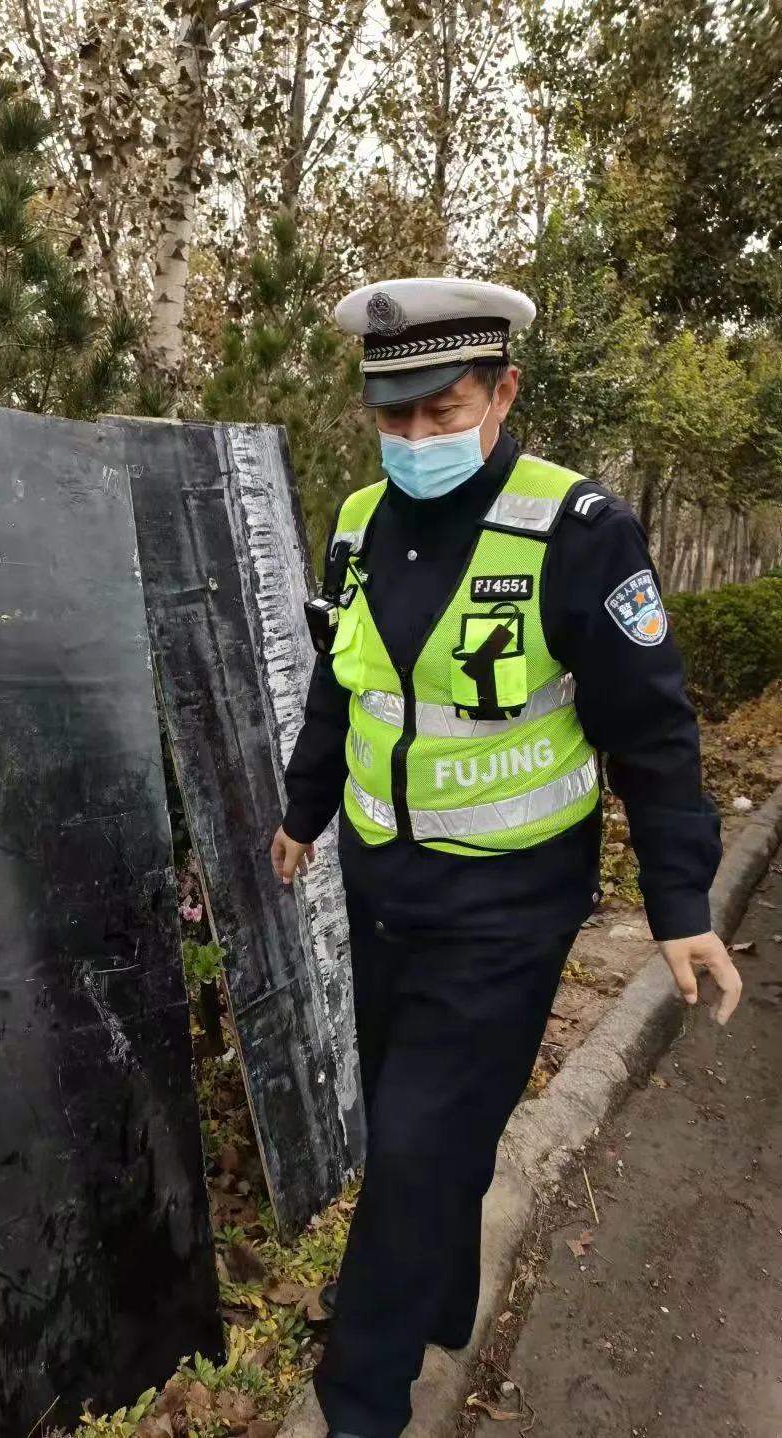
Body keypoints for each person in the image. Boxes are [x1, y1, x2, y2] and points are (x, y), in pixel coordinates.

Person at [269, 277, 743, 1438]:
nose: (417, 439)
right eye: (395, 416)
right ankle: (438, 1300)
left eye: (443, 411)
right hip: (387, 889)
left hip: (509, 905)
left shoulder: (574, 530)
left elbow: (650, 726)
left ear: (501, 391)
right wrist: (302, 811)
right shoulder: (353, 525)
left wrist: (680, 899)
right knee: (416, 1123)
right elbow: (344, 690)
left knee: (418, 1149)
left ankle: (360, 1404)